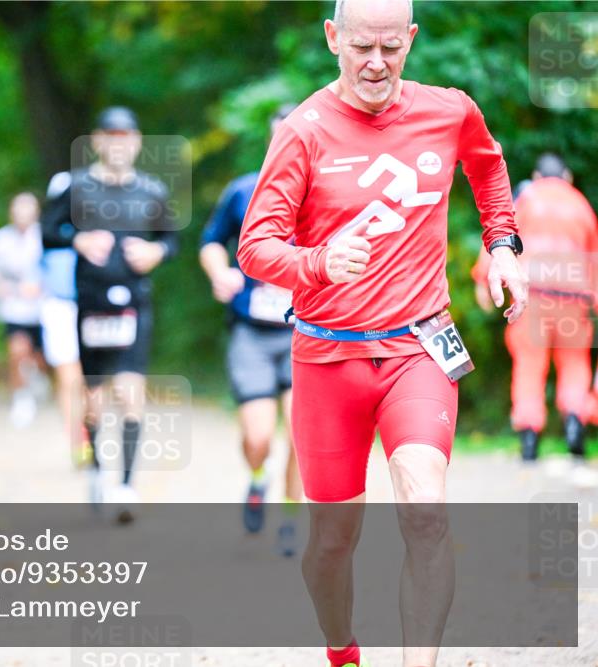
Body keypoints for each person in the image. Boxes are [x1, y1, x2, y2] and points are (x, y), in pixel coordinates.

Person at [235, 1, 528, 666]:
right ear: (334, 37)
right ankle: (342, 648)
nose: (377, 63)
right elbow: (255, 247)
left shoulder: (449, 109)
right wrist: (317, 261)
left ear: (411, 40)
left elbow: (486, 165)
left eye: (391, 48)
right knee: (332, 544)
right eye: (362, 46)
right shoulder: (303, 131)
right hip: (327, 356)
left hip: (420, 346)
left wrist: (503, 242)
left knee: (426, 512)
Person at [42, 106, 179, 523]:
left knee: (131, 393)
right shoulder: (77, 188)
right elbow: (49, 233)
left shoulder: (152, 191)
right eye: (110, 137)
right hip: (90, 303)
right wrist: (78, 240)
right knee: (96, 397)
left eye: (127, 138)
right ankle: (100, 471)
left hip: (134, 305)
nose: (119, 145)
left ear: (137, 143)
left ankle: (126, 484)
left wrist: (155, 252)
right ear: (98, 142)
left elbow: (172, 240)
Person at [200, 103, 305, 549]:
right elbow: (209, 242)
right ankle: (258, 477)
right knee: (259, 436)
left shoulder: (322, 191)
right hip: (251, 333)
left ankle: (291, 520)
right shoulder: (243, 191)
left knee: (301, 433)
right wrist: (218, 272)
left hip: (304, 331)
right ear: (270, 139)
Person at [473, 153, 597, 460]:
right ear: (567, 177)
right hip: (574, 299)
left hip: (533, 296)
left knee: (529, 366)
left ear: (537, 175)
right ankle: (574, 422)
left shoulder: (526, 198)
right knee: (574, 364)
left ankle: (529, 440)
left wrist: (482, 280)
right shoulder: (580, 205)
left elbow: (499, 236)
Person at [0, 192, 47, 428]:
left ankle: (38, 376)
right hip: (13, 309)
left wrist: (41, 287)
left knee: (41, 357)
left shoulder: (46, 237)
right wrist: (0, 288)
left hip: (43, 310)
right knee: (17, 351)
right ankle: (21, 399)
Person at [40, 172, 89, 468]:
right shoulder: (49, 235)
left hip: (91, 307)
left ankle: (88, 434)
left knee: (89, 377)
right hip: (60, 307)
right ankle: (77, 438)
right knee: (68, 374)